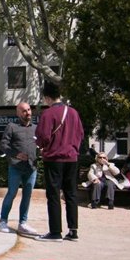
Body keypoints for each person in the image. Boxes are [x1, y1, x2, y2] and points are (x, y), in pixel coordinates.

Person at [34, 81, 84, 242]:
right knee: (71, 193)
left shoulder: (48, 114)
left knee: (53, 194)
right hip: (72, 157)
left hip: (54, 158)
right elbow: (80, 134)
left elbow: (43, 136)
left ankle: (55, 231)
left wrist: (42, 147)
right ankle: (73, 230)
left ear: (47, 97)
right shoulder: (73, 112)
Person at [0, 102, 39, 236]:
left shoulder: (36, 128)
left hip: (31, 167)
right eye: (24, 111)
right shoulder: (12, 127)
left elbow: (42, 144)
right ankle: (3, 221)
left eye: (29, 110)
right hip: (15, 167)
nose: (28, 113)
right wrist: (15, 154)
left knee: (27, 196)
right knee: (12, 194)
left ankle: (23, 223)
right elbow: (3, 145)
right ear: (18, 113)